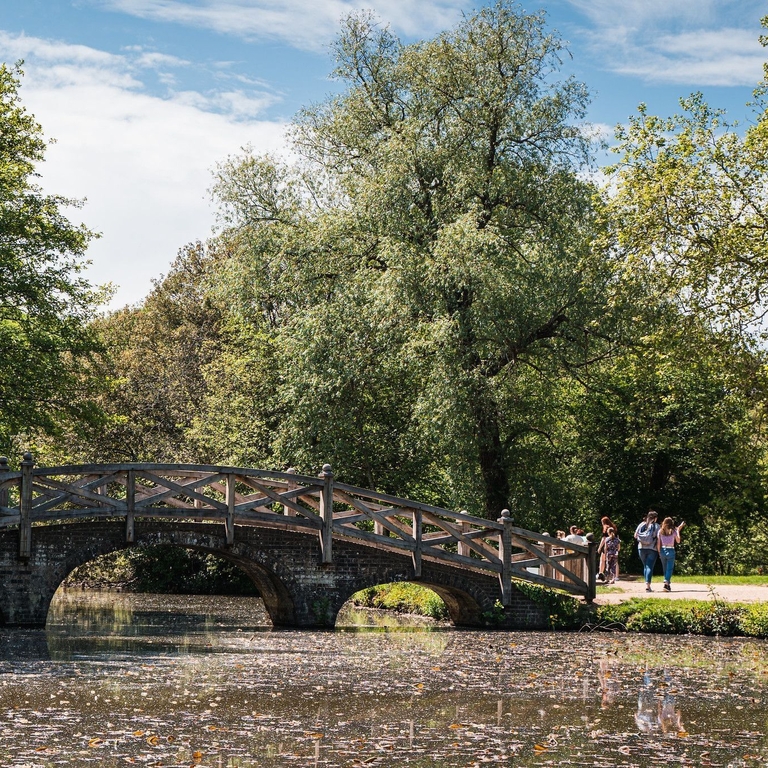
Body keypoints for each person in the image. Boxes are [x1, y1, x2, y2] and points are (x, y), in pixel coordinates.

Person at [634, 510, 660, 591]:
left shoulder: (641, 524)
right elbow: (658, 538)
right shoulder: (656, 526)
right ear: (655, 518)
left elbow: (635, 536)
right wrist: (659, 550)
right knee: (649, 566)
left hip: (641, 548)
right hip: (652, 549)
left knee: (645, 566)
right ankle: (648, 586)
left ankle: (646, 583)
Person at [657, 517, 685, 591]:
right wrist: (678, 531)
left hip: (663, 550)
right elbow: (678, 541)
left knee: (665, 568)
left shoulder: (660, 531)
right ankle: (666, 582)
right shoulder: (673, 531)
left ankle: (667, 585)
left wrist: (659, 552)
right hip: (671, 550)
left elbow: (658, 543)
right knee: (669, 568)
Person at [598, 515, 618, 581]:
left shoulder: (605, 528)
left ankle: (601, 573)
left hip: (607, 546)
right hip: (614, 546)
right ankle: (616, 576)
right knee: (614, 562)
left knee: (603, 560)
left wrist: (600, 547)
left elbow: (603, 539)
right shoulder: (613, 528)